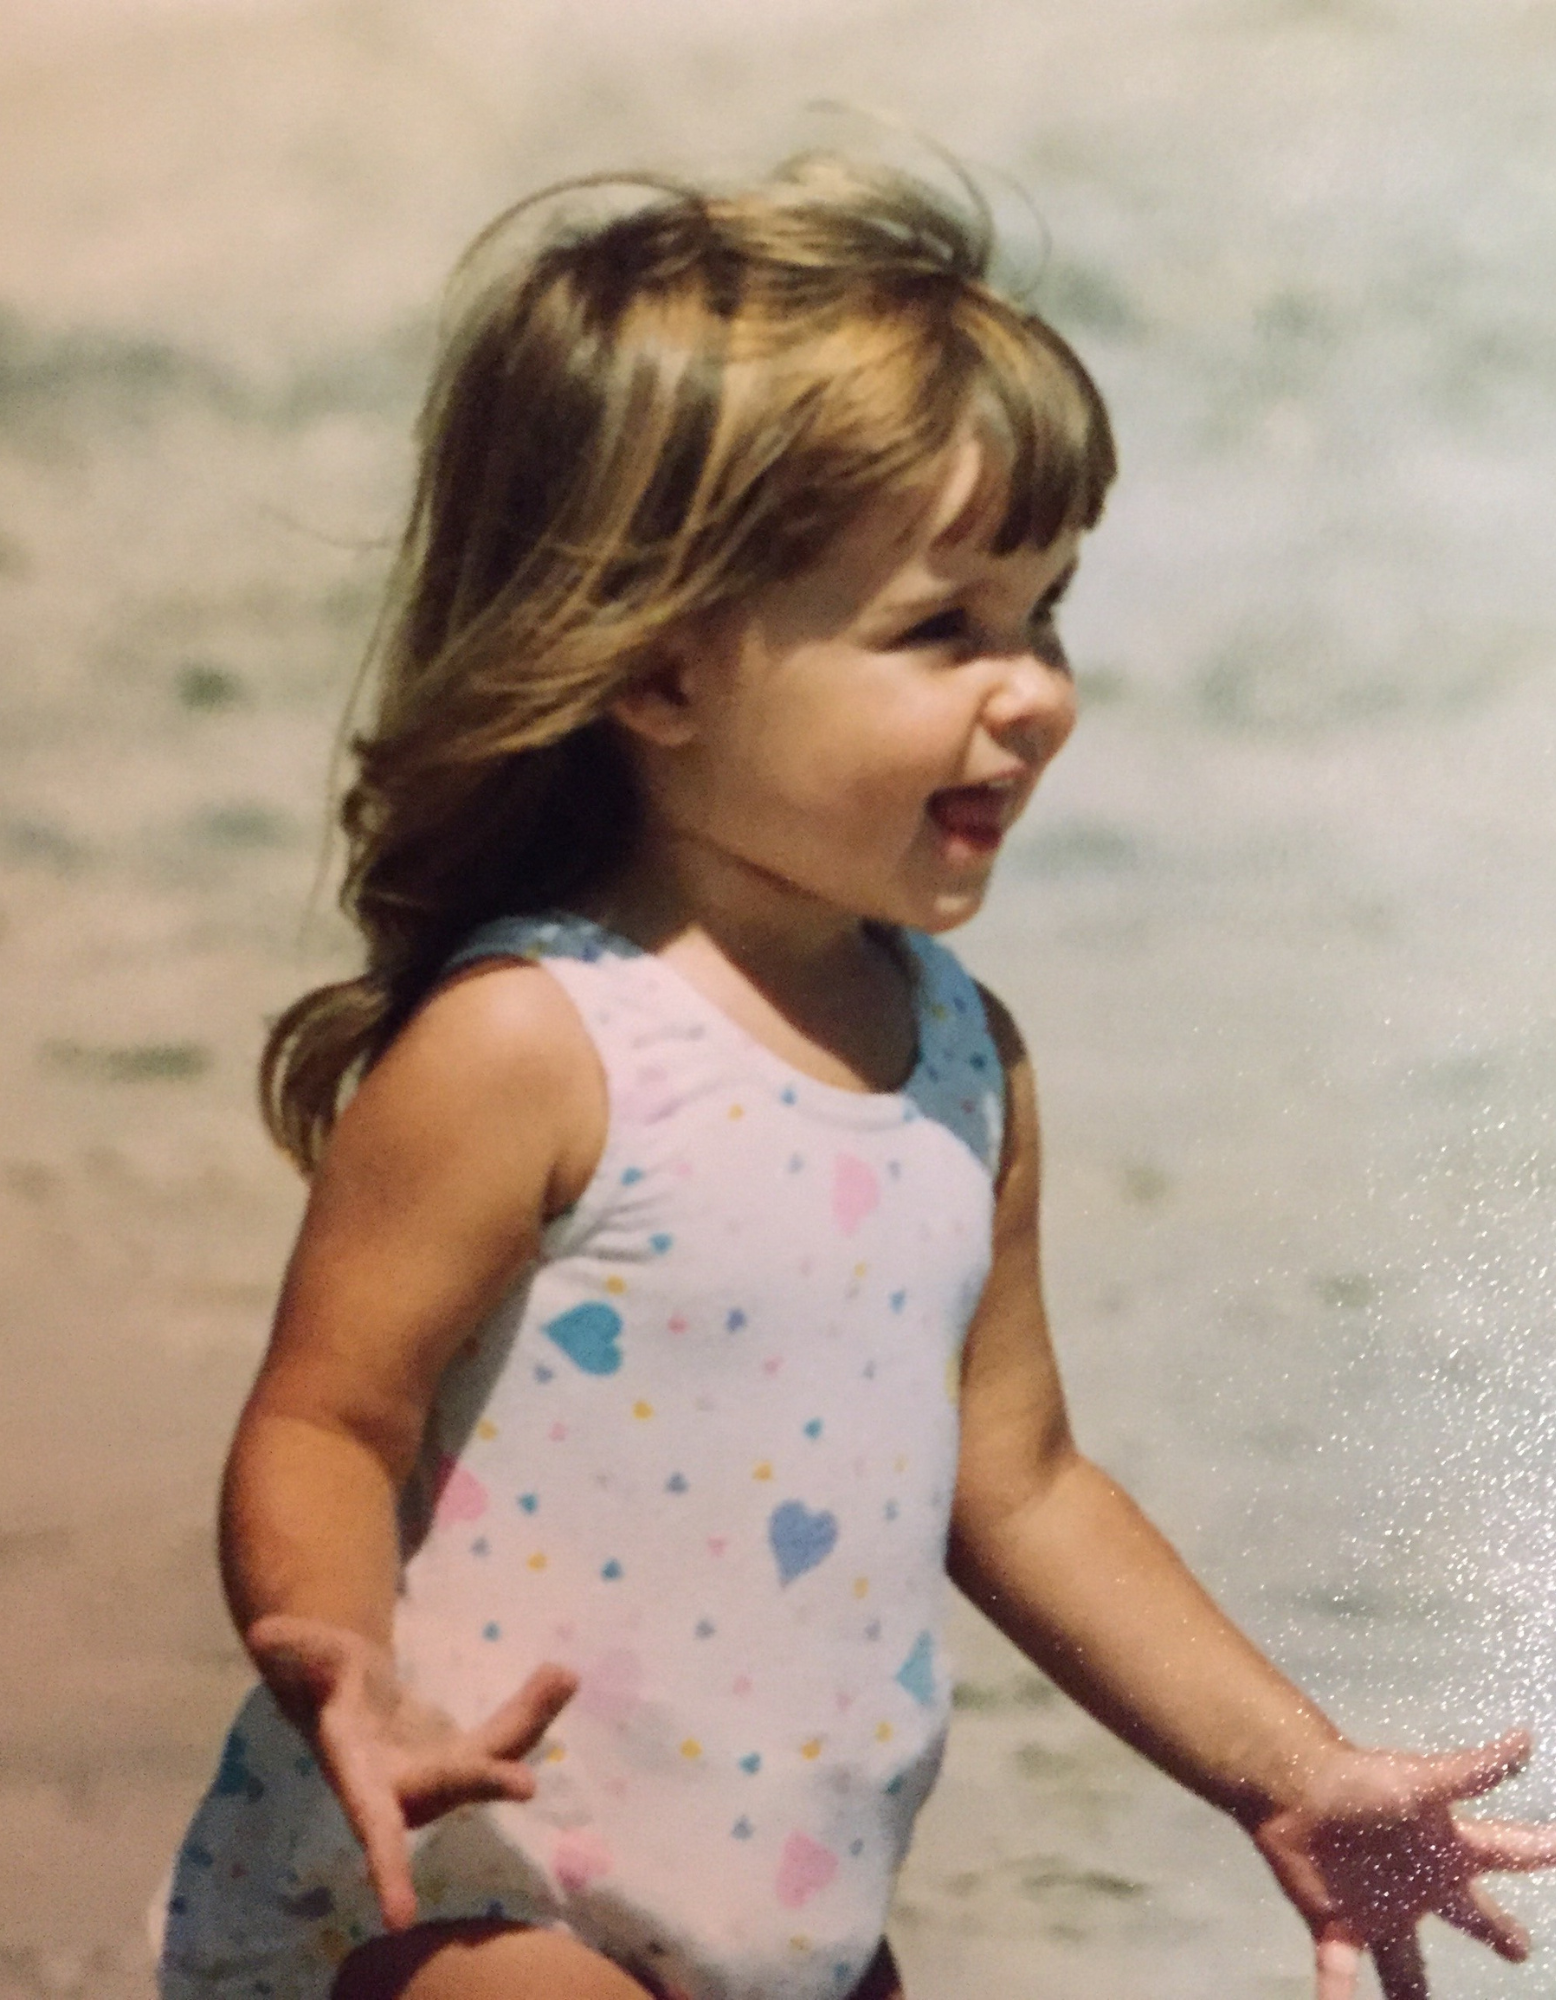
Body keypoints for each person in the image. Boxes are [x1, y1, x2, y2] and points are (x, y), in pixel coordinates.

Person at [158, 155, 1556, 2000]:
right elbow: (329, 1417)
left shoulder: (962, 1057)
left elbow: (1025, 1483)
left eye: (1044, 616)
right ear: (659, 672)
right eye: (941, 630)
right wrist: (341, 1650)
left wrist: (1284, 1771)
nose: (1035, 691)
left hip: (787, 1926)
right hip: (449, 1897)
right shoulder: (534, 1042)